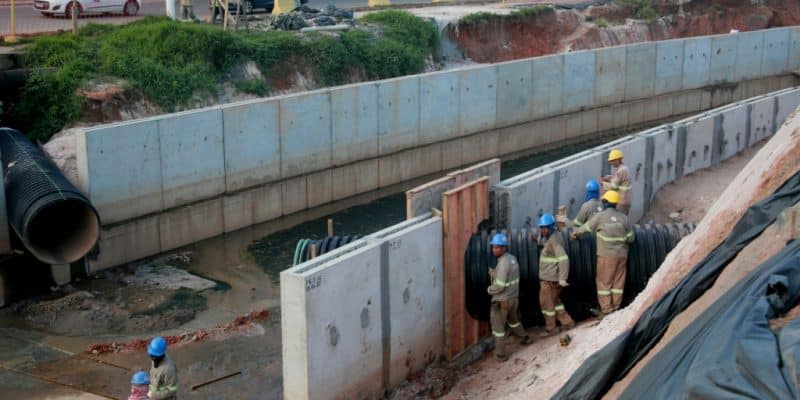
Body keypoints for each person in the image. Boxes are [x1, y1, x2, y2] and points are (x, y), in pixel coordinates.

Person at [571, 191, 634, 316]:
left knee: (604, 283)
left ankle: (606, 310)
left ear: (605, 202)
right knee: (618, 283)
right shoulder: (624, 218)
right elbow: (631, 239)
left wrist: (574, 234)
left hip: (606, 256)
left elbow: (585, 228)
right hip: (622, 256)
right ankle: (616, 309)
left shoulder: (600, 217)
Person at [487, 233, 532, 361]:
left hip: (502, 301)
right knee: (513, 321)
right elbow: (509, 277)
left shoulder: (502, 264)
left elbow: (500, 286)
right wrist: (494, 273)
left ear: (504, 248)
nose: (494, 249)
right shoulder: (512, 259)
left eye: (497, 247)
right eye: (493, 247)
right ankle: (525, 338)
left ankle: (500, 354)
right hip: (513, 299)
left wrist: (490, 289)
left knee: (498, 328)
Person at [537, 214, 575, 336]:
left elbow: (563, 259)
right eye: (541, 227)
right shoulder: (552, 236)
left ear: (551, 227)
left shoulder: (554, 241)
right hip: (549, 278)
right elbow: (545, 244)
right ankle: (568, 322)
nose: (542, 230)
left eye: (545, 228)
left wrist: (562, 278)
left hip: (550, 279)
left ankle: (551, 329)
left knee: (546, 304)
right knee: (555, 302)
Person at [601, 149, 632, 215]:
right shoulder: (624, 168)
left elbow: (613, 187)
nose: (611, 163)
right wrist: (609, 177)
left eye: (612, 161)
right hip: (625, 200)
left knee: (619, 221)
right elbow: (618, 179)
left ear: (618, 160)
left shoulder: (621, 171)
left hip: (622, 201)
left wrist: (602, 183)